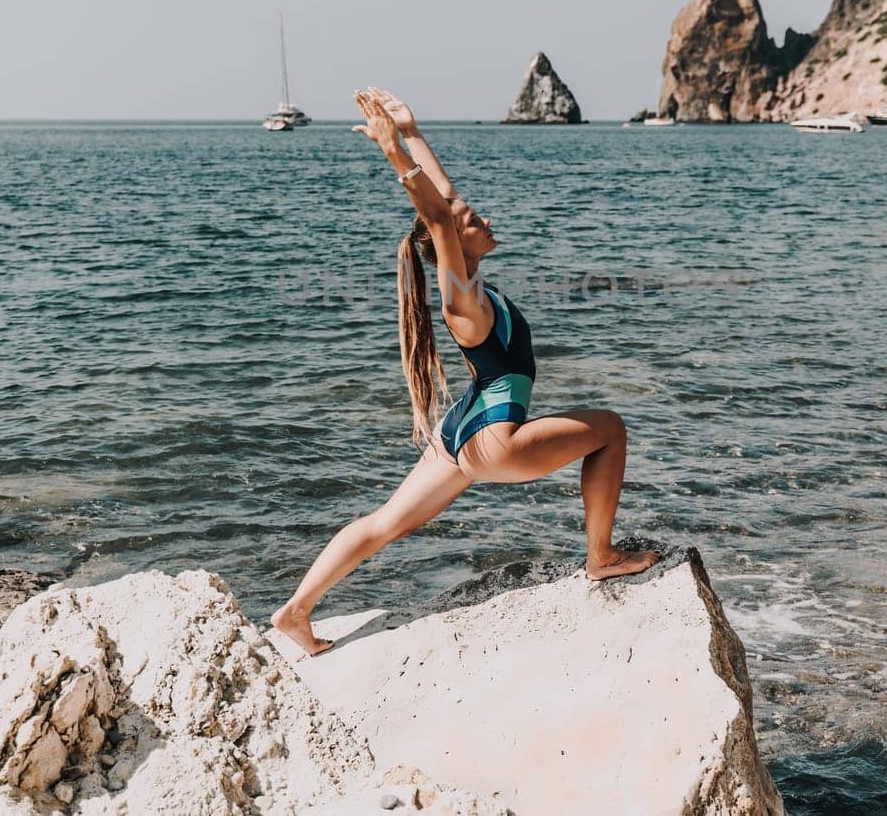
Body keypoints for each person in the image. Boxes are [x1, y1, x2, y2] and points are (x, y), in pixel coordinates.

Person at [269, 88, 660, 656]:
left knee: (384, 523)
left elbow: (443, 203)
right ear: (455, 243)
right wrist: (393, 153)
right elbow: (437, 213)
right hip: (495, 440)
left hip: (459, 430)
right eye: (474, 221)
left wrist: (413, 131)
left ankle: (295, 611)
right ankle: (600, 558)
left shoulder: (469, 286)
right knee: (611, 429)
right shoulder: (462, 303)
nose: (485, 218)